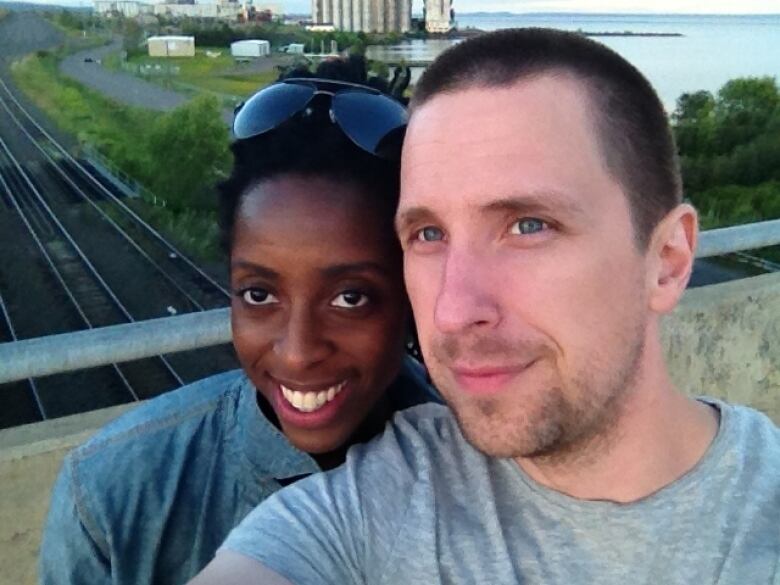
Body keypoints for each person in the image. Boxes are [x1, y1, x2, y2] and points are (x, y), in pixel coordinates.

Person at [190, 28, 780, 585]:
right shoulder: (379, 496)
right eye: (427, 234)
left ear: (668, 260)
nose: (452, 310)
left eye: (528, 226)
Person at [38, 59, 436, 585]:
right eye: (258, 293)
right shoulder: (113, 494)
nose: (297, 352)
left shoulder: (493, 475)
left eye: (351, 298)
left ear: (411, 295)